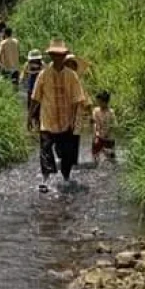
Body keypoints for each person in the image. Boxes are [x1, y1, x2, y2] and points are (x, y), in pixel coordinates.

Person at [32, 39, 87, 192]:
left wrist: (76, 121)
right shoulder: (43, 74)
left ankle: (66, 178)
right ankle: (46, 180)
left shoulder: (72, 76)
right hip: (47, 119)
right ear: (50, 55)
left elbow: (78, 100)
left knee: (67, 154)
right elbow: (36, 97)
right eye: (54, 54)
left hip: (66, 121)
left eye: (60, 55)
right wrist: (30, 116)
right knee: (45, 150)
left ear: (64, 56)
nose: (57, 57)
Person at [20, 49, 45, 131]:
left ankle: (38, 125)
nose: (34, 62)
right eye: (33, 60)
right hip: (31, 90)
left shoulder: (43, 65)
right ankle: (34, 124)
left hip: (41, 91)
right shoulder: (27, 65)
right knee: (31, 108)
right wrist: (22, 80)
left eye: (36, 60)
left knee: (39, 109)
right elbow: (23, 75)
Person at [92, 91, 117, 164]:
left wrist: (107, 133)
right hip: (98, 136)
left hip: (109, 138)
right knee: (96, 157)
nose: (98, 103)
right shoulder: (96, 111)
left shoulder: (111, 112)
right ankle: (96, 167)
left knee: (112, 159)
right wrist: (96, 133)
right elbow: (94, 123)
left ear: (105, 102)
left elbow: (113, 125)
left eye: (100, 102)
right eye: (98, 102)